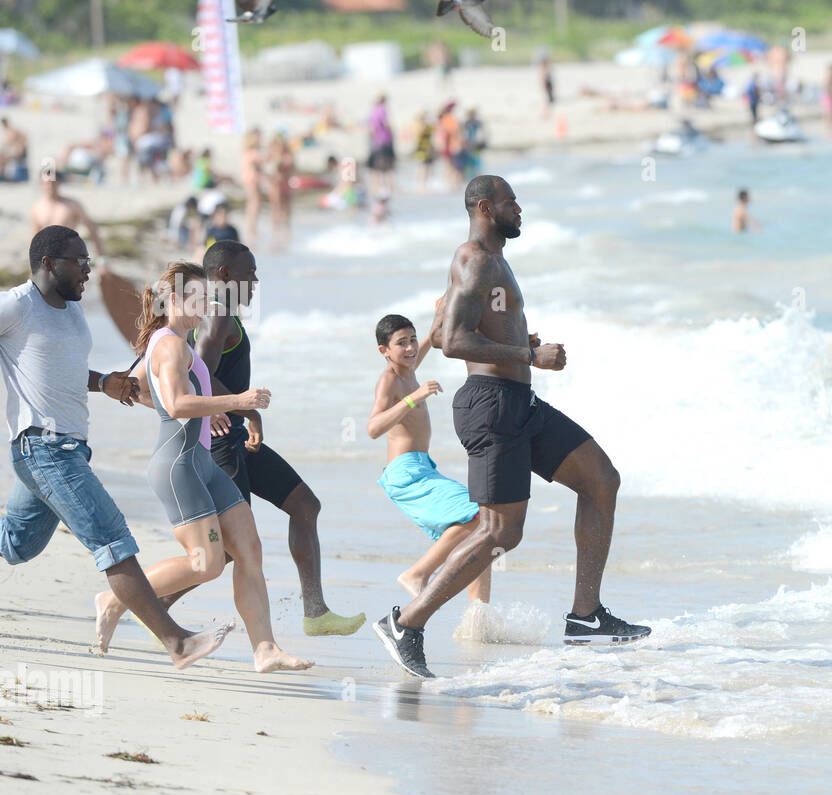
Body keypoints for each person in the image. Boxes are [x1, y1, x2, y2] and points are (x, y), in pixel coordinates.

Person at [371, 175, 650, 678]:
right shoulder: (475, 259)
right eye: (510, 202)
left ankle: (586, 617)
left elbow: (455, 327)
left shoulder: (493, 261)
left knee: (600, 479)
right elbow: (452, 341)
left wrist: (518, 337)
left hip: (518, 400)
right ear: (484, 207)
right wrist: (528, 353)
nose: (519, 209)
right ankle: (406, 622)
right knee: (501, 530)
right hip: (491, 406)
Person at [2, 227, 231, 669]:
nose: (89, 271)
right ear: (49, 263)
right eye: (80, 262)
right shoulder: (16, 305)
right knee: (112, 538)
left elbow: (59, 368)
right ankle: (177, 643)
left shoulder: (70, 311)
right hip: (44, 448)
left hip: (69, 448)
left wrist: (102, 382)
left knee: (17, 544)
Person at [95, 263, 312, 671]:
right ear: (174, 300)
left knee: (249, 549)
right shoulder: (170, 346)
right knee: (207, 564)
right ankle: (114, 598)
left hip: (202, 462)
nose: (206, 307)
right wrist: (234, 401)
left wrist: (203, 409)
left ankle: (265, 649)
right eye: (198, 299)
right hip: (179, 467)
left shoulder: (172, 341)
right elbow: (175, 404)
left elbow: (138, 388)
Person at [178, 241, 365, 637]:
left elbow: (199, 369)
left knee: (305, 505)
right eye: (250, 273)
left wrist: (245, 413)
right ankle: (152, 604)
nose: (256, 281)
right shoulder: (218, 314)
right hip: (221, 441)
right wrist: (234, 409)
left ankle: (315, 612)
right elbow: (199, 374)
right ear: (225, 274)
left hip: (234, 433)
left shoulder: (221, 312)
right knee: (228, 548)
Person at [368, 312, 490, 601]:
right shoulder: (390, 380)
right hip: (406, 474)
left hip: (424, 470)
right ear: (384, 351)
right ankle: (417, 574)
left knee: (482, 537)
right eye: (401, 343)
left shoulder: (409, 368)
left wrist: (442, 311)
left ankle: (478, 618)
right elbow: (373, 428)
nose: (410, 348)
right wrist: (414, 398)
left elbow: (432, 339)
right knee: (481, 514)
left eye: (411, 340)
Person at [30, 173, 105, 264]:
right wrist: (33, 264)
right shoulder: (37, 208)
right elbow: (35, 238)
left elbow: (92, 230)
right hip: (47, 258)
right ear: (41, 184)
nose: (50, 186)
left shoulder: (72, 205)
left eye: (53, 182)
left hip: (70, 256)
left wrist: (102, 260)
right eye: (46, 183)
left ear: (59, 183)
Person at [367, 95, 396, 195]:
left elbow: (371, 129)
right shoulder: (383, 110)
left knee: (375, 168)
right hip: (385, 141)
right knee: (388, 167)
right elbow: (387, 123)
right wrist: (392, 135)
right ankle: (391, 188)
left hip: (376, 143)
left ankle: (376, 189)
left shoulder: (373, 112)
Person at [240, 129, 265, 246]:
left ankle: (252, 229)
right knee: (254, 204)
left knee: (252, 204)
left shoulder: (247, 150)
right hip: (252, 179)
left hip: (249, 178)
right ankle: (252, 230)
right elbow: (256, 165)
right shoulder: (252, 151)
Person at [0, 117, 28, 182]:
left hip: (20, 153)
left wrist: (20, 148)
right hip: (19, 151)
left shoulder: (11, 131)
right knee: (2, 157)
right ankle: (2, 174)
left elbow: (8, 144)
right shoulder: (11, 131)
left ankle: (2, 174)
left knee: (2, 159)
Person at [822, 62, 832, 139]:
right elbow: (826, 87)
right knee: (829, 115)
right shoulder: (829, 77)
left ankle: (830, 131)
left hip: (831, 97)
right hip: (828, 97)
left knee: (831, 115)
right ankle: (828, 132)